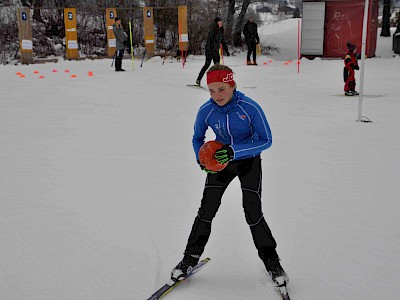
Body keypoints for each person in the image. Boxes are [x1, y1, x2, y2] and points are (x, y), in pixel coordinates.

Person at [171, 64, 288, 287]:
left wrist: (236, 151)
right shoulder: (206, 110)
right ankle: (189, 258)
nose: (217, 95)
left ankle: (272, 262)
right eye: (212, 90)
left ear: (232, 85)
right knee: (206, 210)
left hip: (248, 161)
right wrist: (201, 159)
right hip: (220, 163)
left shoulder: (249, 107)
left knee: (253, 212)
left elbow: (266, 139)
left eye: (222, 89)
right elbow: (197, 138)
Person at [196, 17, 230, 86]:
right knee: (207, 65)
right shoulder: (213, 30)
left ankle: (217, 81)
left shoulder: (221, 31)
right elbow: (209, 40)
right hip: (210, 51)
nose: (221, 23)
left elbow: (223, 41)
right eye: (219, 22)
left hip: (216, 51)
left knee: (217, 66)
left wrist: (226, 50)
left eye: (221, 22)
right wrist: (208, 50)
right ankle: (198, 79)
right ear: (216, 23)